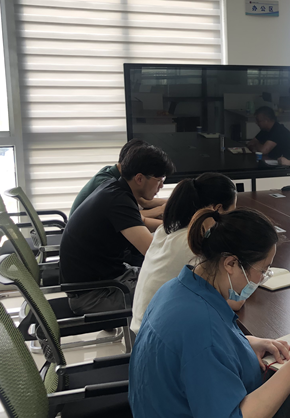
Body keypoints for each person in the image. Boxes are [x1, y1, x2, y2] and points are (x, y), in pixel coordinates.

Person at [129, 207, 290, 418]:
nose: (262, 278)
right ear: (231, 263)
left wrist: (243, 342)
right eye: (263, 270)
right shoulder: (202, 329)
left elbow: (189, 354)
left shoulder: (176, 290)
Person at [59, 144, 175, 314]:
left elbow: (141, 221)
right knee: (174, 294)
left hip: (106, 280)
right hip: (95, 294)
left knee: (167, 280)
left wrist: (176, 227)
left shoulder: (114, 188)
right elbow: (153, 251)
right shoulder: (118, 201)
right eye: (159, 180)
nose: (161, 186)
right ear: (140, 178)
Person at [130, 172, 238, 333]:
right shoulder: (195, 244)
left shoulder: (167, 229)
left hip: (143, 327)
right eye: (231, 212)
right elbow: (234, 301)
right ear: (218, 209)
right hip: (160, 335)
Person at [71, 138, 167, 231]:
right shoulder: (110, 188)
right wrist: (160, 210)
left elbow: (143, 202)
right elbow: (128, 214)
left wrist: (169, 204)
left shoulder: (113, 173)